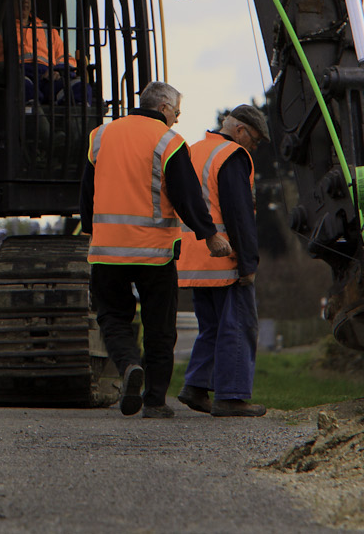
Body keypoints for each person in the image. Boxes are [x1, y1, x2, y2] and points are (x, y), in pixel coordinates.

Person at [81, 81, 231, 418]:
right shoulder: (168, 141)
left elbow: (87, 191)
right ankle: (154, 401)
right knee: (160, 327)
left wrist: (90, 230)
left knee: (112, 318)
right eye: (176, 113)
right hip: (154, 253)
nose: (177, 120)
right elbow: (185, 195)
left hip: (106, 251)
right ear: (163, 108)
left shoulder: (100, 136)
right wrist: (209, 234)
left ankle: (130, 366)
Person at [175, 104, 270, 417]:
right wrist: (248, 263)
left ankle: (196, 386)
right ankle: (231, 396)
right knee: (239, 326)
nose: (253, 147)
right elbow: (238, 215)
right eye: (254, 140)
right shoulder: (231, 155)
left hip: (192, 258)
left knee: (212, 328)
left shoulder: (193, 150)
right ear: (240, 130)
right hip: (224, 257)